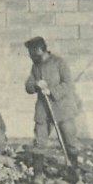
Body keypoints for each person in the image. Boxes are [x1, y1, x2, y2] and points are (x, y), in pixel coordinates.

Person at [24, 36, 81, 174]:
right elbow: (28, 86)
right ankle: (38, 174)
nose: (29, 55)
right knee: (39, 142)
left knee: (70, 141)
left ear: (39, 50)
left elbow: (68, 85)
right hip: (43, 110)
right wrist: (36, 85)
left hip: (63, 109)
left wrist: (51, 91)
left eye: (31, 52)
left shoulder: (59, 63)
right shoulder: (35, 66)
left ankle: (73, 171)